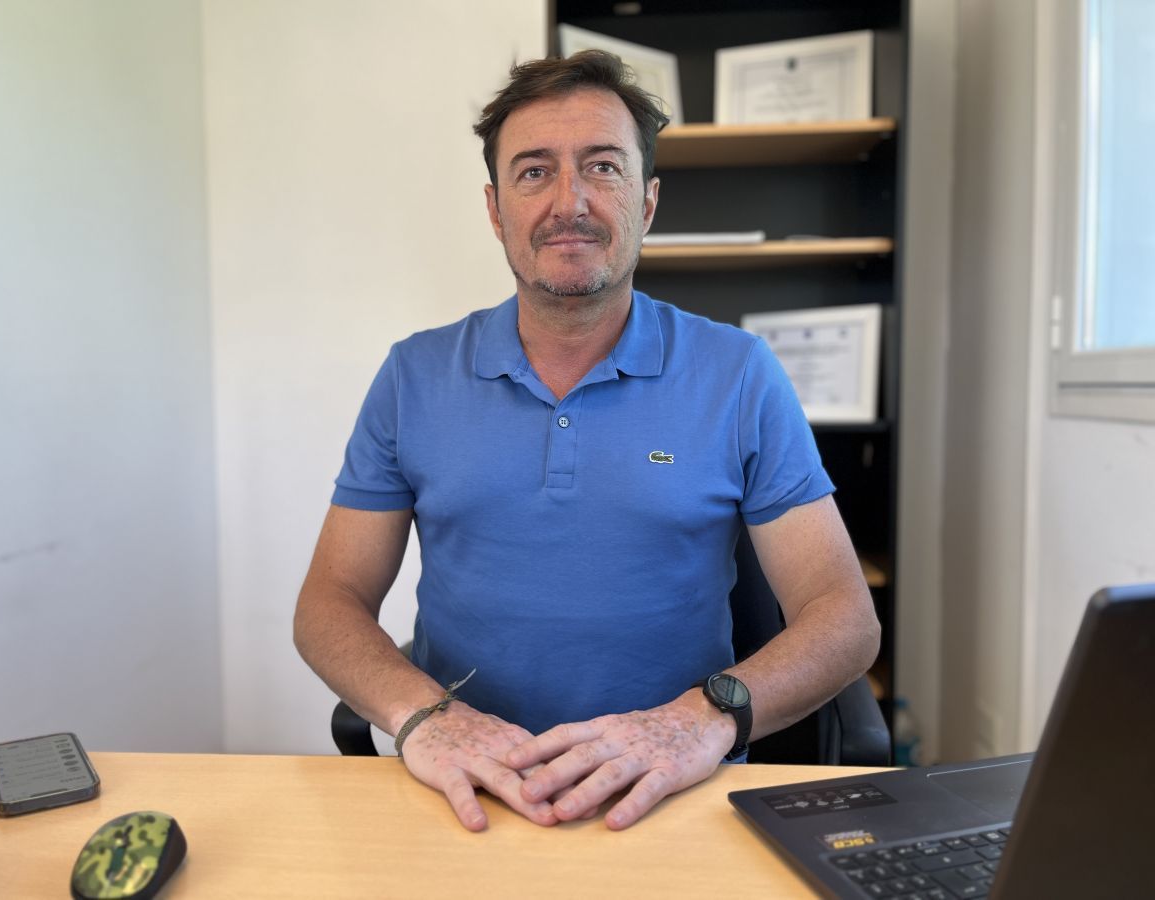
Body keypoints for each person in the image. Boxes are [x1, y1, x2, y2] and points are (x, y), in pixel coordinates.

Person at [294, 50, 880, 833]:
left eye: (602, 167)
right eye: (534, 172)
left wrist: (699, 721)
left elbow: (844, 617)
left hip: (673, 789)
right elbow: (328, 603)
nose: (569, 201)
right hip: (468, 789)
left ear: (647, 201)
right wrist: (424, 716)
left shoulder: (738, 373)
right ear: (496, 209)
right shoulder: (414, 376)